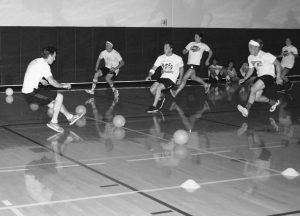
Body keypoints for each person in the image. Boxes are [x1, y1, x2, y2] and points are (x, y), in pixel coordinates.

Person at [21, 46, 84, 133]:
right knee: (59, 96)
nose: (54, 59)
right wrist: (63, 86)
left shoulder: (36, 61)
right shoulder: (45, 66)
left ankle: (70, 117)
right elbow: (53, 82)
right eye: (54, 56)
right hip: (31, 93)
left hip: (28, 92)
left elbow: (31, 72)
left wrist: (41, 80)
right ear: (50, 56)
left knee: (55, 103)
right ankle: (53, 122)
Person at [237, 39, 283, 117]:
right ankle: (273, 102)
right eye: (248, 47)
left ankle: (246, 109)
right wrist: (245, 78)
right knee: (256, 98)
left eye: (251, 48)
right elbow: (251, 69)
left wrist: (278, 77)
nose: (249, 49)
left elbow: (278, 64)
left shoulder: (266, 55)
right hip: (261, 78)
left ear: (256, 48)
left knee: (253, 89)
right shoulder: (250, 57)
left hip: (269, 76)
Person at [145, 42, 184, 113]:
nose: (164, 49)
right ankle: (160, 98)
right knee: (152, 89)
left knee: (159, 87)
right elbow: (154, 68)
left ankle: (154, 106)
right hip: (162, 77)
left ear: (171, 49)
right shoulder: (160, 57)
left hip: (171, 79)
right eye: (164, 48)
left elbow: (181, 68)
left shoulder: (178, 58)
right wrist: (149, 75)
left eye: (166, 48)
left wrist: (180, 78)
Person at [170, 33, 212, 97]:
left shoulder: (203, 45)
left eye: (196, 37)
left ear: (200, 38)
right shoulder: (191, 43)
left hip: (195, 64)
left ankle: (176, 92)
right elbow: (184, 52)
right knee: (193, 77)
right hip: (190, 64)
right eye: (194, 36)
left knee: (185, 78)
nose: (195, 37)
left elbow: (210, 52)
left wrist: (207, 60)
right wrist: (184, 50)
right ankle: (206, 84)